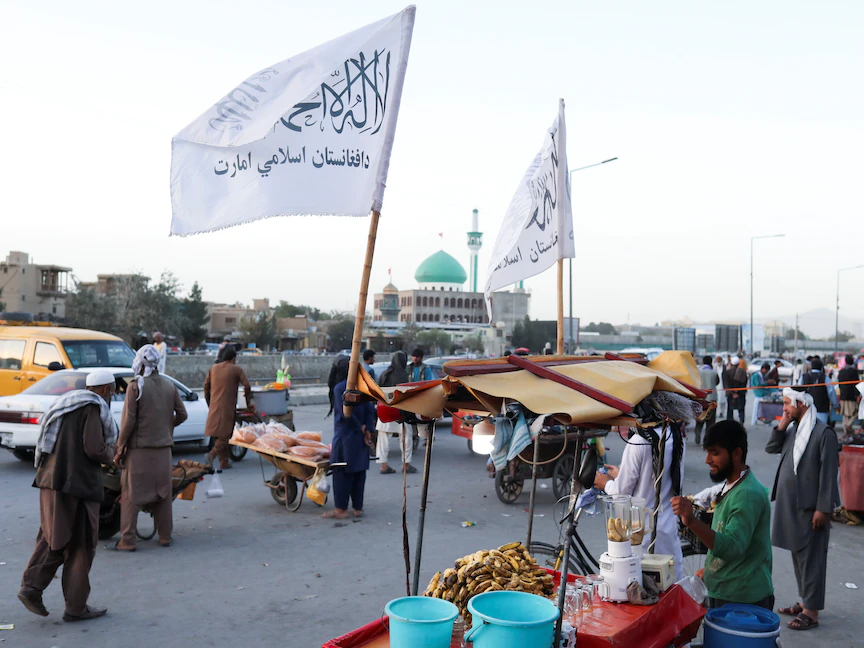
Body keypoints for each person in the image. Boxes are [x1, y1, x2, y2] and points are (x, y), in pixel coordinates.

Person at [19, 369, 117, 622]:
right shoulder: (92, 407)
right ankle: (76, 607)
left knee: (51, 536)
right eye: (114, 390)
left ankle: (30, 588)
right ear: (105, 389)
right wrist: (112, 456)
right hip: (77, 485)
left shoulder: (65, 403)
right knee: (81, 545)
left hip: (50, 480)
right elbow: (94, 448)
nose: (114, 395)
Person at [671, 420, 773, 609]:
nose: (707, 460)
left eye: (715, 453)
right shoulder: (732, 485)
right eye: (708, 452)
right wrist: (710, 571)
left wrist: (692, 520)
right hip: (728, 591)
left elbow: (732, 548)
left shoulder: (747, 495)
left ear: (736, 454)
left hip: (742, 599)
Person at [766, 387, 839, 631]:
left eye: (787, 403)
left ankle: (812, 612)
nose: (784, 407)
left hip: (811, 508)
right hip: (791, 506)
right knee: (799, 556)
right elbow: (771, 448)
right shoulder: (794, 429)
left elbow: (829, 474)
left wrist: (823, 508)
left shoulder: (823, 433)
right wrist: (784, 421)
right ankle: (805, 601)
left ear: (802, 403)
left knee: (812, 559)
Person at [595, 392, 687, 581]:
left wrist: (605, 483)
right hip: (668, 529)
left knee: (645, 593)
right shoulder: (675, 436)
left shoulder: (639, 442)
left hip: (644, 536)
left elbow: (621, 493)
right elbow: (658, 480)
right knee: (670, 589)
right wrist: (621, 474)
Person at [113, 345, 188, 551]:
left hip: (139, 452)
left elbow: (128, 422)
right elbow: (182, 415)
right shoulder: (169, 386)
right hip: (163, 451)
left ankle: (127, 540)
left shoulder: (135, 387)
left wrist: (119, 448)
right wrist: (166, 426)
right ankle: (165, 537)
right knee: (163, 494)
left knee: (131, 495)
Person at [324, 356, 375, 519]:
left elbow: (345, 413)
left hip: (346, 436)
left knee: (341, 472)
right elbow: (369, 410)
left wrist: (360, 428)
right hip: (361, 437)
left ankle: (341, 509)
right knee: (359, 472)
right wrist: (368, 430)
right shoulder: (361, 387)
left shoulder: (340, 388)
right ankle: (358, 508)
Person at [203, 347, 253, 469]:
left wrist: (209, 401)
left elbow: (206, 386)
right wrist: (248, 403)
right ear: (233, 358)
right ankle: (211, 455)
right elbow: (247, 385)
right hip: (227, 407)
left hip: (214, 406)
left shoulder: (213, 369)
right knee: (225, 435)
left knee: (218, 435)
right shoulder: (236, 369)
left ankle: (223, 462)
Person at [376, 350, 415, 474]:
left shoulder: (384, 374)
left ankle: (383, 465)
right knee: (406, 438)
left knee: (383, 438)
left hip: (384, 409)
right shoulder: (404, 376)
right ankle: (406, 464)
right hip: (400, 412)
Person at [801, 357, 832, 425]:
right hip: (821, 408)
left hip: (806, 408)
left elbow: (798, 390)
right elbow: (831, 392)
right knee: (821, 429)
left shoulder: (804, 377)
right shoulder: (825, 378)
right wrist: (835, 404)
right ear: (821, 368)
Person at [695, 356, 718, 445]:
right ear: (711, 362)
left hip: (700, 399)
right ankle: (706, 440)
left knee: (699, 419)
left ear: (703, 362)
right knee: (710, 421)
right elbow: (717, 382)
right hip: (712, 399)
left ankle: (697, 434)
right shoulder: (714, 373)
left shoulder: (698, 372)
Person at [838, 354, 860, 440]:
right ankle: (848, 426)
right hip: (851, 397)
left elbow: (839, 385)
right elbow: (856, 385)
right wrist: (857, 395)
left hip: (843, 396)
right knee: (856, 413)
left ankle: (846, 433)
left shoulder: (841, 371)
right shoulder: (853, 371)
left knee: (845, 415)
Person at [724, 356, 748, 423]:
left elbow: (726, 384)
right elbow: (744, 383)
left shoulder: (727, 372)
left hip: (730, 394)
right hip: (740, 394)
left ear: (731, 363)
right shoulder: (743, 371)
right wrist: (738, 392)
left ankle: (729, 424)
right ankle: (741, 423)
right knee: (741, 409)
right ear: (738, 364)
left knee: (730, 410)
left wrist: (733, 393)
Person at [713, 355, 728, 420]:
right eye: (717, 360)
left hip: (723, 385)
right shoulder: (714, 366)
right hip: (716, 386)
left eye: (719, 360)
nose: (718, 361)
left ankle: (722, 412)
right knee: (717, 399)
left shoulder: (724, 367)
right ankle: (718, 412)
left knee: (723, 400)